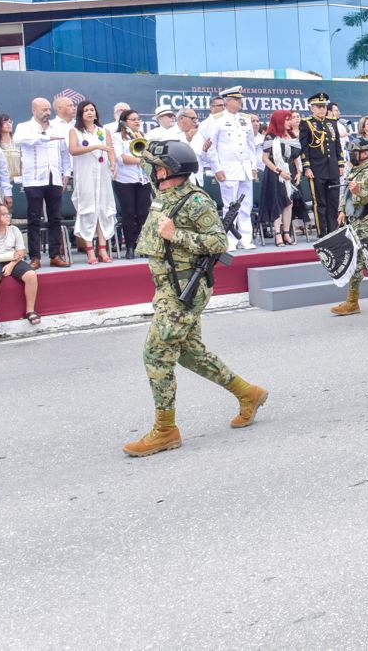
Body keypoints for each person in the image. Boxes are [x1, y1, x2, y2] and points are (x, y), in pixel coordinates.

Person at [122, 139, 268, 457]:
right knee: (190, 354)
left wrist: (177, 235)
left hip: (185, 290)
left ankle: (165, 430)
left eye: (157, 166)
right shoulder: (163, 193)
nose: (152, 170)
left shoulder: (196, 201)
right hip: (166, 287)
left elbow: (217, 242)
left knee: (156, 355)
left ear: (170, 170)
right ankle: (248, 393)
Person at [329, 135, 368, 316]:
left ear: (365, 153)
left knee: (361, 261)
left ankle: (352, 302)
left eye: (355, 152)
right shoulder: (354, 170)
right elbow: (345, 193)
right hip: (354, 220)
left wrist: (360, 191)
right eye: (351, 152)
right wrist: (341, 210)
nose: (352, 155)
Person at [14, 99, 71, 269]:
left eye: (48, 109)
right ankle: (35, 257)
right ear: (33, 110)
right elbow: (18, 140)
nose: (47, 112)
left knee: (55, 217)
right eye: (43, 109)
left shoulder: (57, 128)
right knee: (34, 218)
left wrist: (66, 173)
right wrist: (44, 138)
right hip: (34, 179)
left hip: (54, 177)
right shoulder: (24, 127)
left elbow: (65, 153)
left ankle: (55, 255)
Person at [201, 86, 257, 251]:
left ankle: (246, 239)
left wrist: (253, 166)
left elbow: (251, 146)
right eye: (237, 99)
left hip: (245, 168)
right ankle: (230, 240)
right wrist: (217, 168)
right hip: (228, 169)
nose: (240, 102)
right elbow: (211, 147)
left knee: (246, 205)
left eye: (240, 99)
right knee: (230, 206)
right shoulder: (216, 120)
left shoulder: (245, 119)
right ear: (228, 102)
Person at [0, 200, 40, 334]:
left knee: (31, 275)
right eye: (3, 214)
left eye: (8, 213)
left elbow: (21, 251)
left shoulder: (14, 230)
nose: (8, 216)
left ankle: (30, 310)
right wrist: (10, 256)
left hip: (13, 261)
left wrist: (11, 264)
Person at [68, 100, 117, 264]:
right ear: (81, 114)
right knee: (88, 209)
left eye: (92, 110)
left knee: (103, 209)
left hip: (102, 175)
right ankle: (89, 250)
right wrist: (95, 147)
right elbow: (73, 150)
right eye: (86, 110)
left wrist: (113, 164)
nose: (90, 112)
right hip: (85, 175)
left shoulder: (104, 131)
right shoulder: (75, 131)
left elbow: (110, 150)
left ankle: (102, 249)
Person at [299, 91, 343, 237]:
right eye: (318, 106)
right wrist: (306, 166)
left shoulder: (332, 122)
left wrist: (341, 164)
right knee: (320, 202)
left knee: (333, 202)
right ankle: (322, 232)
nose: (322, 109)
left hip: (332, 168)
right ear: (312, 108)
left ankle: (333, 230)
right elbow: (304, 147)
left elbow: (337, 144)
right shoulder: (307, 123)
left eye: (323, 106)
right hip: (317, 168)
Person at [113, 109, 152, 260]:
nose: (137, 122)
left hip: (142, 179)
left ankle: (143, 245)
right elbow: (121, 158)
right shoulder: (117, 137)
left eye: (138, 119)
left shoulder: (142, 136)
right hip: (124, 180)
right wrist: (142, 160)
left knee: (143, 213)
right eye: (133, 119)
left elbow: (148, 155)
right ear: (124, 122)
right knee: (128, 213)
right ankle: (130, 246)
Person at [259, 109, 302, 246]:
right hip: (274, 173)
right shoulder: (270, 137)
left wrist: (299, 172)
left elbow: (296, 156)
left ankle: (286, 233)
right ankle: (277, 234)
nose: (290, 122)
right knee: (277, 202)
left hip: (288, 172)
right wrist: (279, 171)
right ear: (279, 120)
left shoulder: (291, 136)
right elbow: (265, 158)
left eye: (290, 119)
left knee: (289, 203)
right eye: (287, 119)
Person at [0, 113, 21, 184]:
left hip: (20, 182)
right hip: (1, 182)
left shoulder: (18, 141)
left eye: (10, 122)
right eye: (4, 122)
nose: (8, 124)